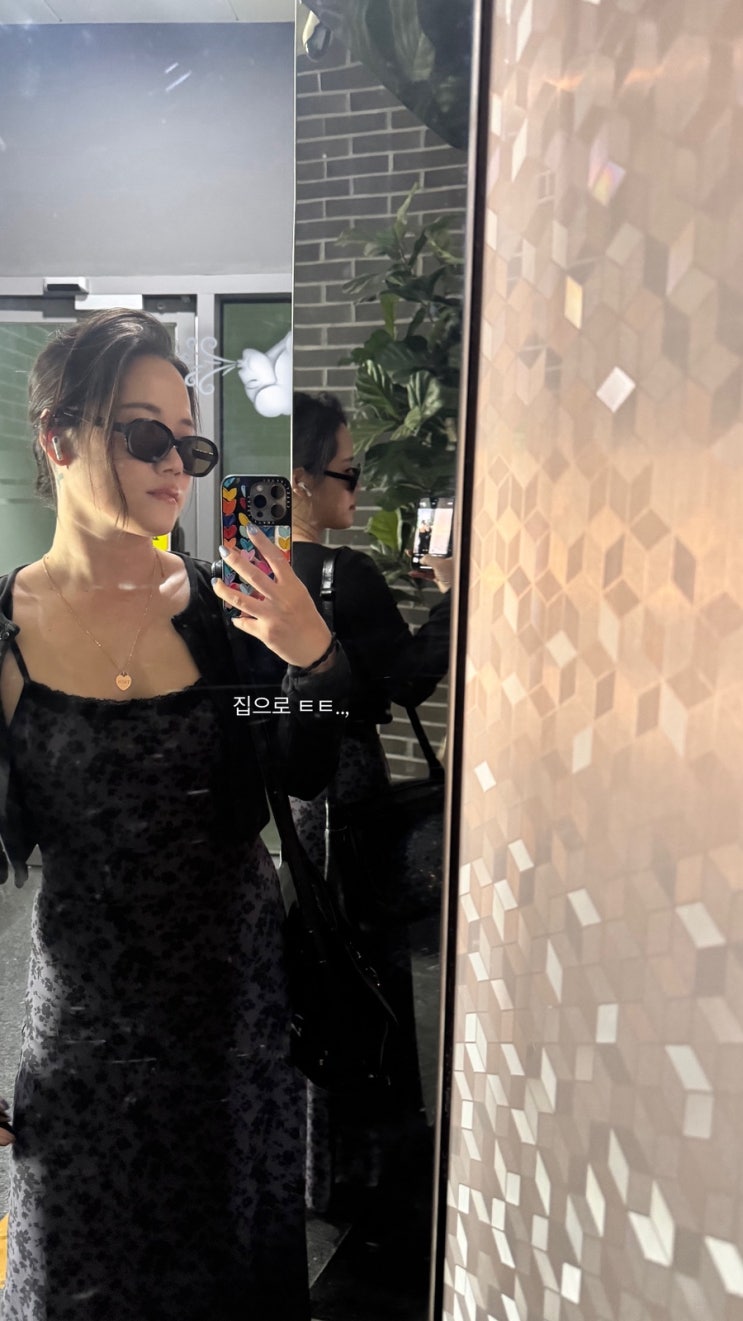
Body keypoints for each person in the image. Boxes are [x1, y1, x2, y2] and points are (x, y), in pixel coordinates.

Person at [0, 311, 348, 1321]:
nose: (175, 465)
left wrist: (313, 658)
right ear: (59, 437)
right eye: (144, 433)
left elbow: (307, 766)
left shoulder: (224, 611)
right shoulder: (7, 637)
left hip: (236, 1036)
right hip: (84, 1041)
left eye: (190, 446)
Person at [289, 390, 451, 1232]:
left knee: (308, 965)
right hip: (348, 785)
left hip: (288, 798)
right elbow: (405, 680)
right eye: (349, 472)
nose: (359, 486)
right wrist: (452, 594)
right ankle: (368, 1163)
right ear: (302, 479)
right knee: (366, 965)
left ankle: (305, 1163)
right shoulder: (340, 573)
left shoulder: (239, 573)